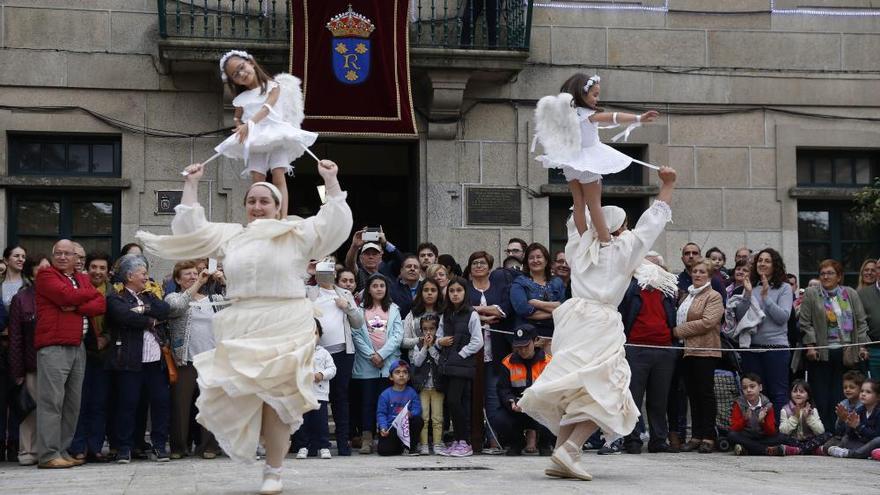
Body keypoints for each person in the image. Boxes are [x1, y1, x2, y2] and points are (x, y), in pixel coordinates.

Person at [137, 159, 351, 495]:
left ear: (279, 206)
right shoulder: (234, 237)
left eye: (265, 200)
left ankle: (274, 470)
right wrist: (191, 184)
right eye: (251, 201)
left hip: (286, 319)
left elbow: (333, 224)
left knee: (279, 397)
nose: (257, 206)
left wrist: (331, 180)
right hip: (243, 320)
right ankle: (258, 446)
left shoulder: (294, 233)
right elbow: (193, 231)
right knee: (245, 394)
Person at [518, 166, 678, 481]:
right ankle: (571, 449)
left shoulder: (579, 245)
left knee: (579, 384)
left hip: (574, 318)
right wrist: (668, 184)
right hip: (600, 321)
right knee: (608, 388)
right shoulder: (624, 248)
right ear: (623, 228)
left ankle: (561, 452)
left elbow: (582, 210)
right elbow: (655, 218)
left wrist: (577, 181)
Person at [533, 73, 659, 247]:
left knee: (578, 202)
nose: (597, 99)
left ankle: (584, 237)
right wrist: (638, 118)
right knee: (594, 204)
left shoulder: (567, 116)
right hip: (587, 160)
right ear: (582, 94)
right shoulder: (587, 114)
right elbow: (613, 117)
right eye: (595, 95)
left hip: (571, 161)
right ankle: (605, 240)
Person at [215, 50, 318, 215]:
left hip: (276, 134)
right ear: (233, 80)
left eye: (242, 67)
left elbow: (267, 108)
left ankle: (282, 217)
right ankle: (259, 216)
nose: (242, 74)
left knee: (278, 175)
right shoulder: (242, 98)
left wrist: (248, 124)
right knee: (257, 179)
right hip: (256, 139)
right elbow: (237, 116)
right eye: (236, 74)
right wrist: (238, 125)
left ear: (251, 62)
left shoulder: (274, 86)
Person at [34, 240, 106, 469]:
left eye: (68, 254)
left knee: (72, 404)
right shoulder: (47, 276)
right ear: (53, 255)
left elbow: (100, 303)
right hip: (54, 346)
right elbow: (65, 296)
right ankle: (48, 454)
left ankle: (62, 451)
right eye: (59, 253)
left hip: (78, 346)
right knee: (51, 402)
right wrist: (81, 297)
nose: (63, 257)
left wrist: (75, 304)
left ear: (76, 258)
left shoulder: (82, 278)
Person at [105, 255, 172, 464]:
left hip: (155, 362)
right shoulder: (116, 297)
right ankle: (124, 448)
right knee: (128, 404)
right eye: (143, 273)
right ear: (129, 275)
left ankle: (159, 446)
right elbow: (123, 316)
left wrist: (142, 310)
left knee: (161, 403)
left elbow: (164, 310)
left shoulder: (149, 295)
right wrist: (149, 320)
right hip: (129, 361)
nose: (146, 277)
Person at [797, 259, 869, 431]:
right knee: (822, 396)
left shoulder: (850, 293)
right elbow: (805, 323)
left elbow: (861, 322)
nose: (825, 276)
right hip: (821, 352)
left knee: (842, 393)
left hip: (846, 353)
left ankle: (841, 430)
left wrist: (862, 346)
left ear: (839, 277)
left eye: (830, 273)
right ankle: (824, 431)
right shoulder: (812, 293)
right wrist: (811, 345)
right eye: (822, 273)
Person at [618, 257, 679, 454]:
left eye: (656, 266)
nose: (652, 270)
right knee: (633, 398)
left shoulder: (667, 292)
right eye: (647, 266)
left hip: (664, 350)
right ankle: (633, 440)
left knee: (659, 399)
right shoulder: (631, 289)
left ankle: (659, 440)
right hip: (636, 348)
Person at [164, 260, 223, 459]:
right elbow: (176, 308)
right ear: (178, 280)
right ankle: (179, 447)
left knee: (210, 404)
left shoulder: (213, 299)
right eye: (187, 274)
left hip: (211, 360)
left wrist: (227, 281)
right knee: (181, 405)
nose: (192, 276)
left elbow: (237, 306)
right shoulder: (173, 297)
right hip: (185, 360)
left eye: (194, 273)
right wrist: (198, 284)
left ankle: (208, 446)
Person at [305, 262, 363, 456]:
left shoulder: (344, 294)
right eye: (322, 272)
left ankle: (343, 444)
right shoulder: (310, 292)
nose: (326, 275)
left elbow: (358, 323)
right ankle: (313, 444)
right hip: (314, 352)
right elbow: (292, 292)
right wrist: (309, 273)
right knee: (314, 398)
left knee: (340, 398)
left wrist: (348, 308)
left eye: (329, 272)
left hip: (342, 352)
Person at [734, 248, 793, 419]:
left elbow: (782, 317)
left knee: (778, 392)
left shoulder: (785, 288)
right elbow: (740, 316)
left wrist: (766, 297)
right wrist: (747, 294)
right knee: (755, 394)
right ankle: (759, 430)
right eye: (760, 260)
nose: (762, 263)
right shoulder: (751, 285)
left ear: (775, 265)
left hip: (776, 348)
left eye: (767, 261)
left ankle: (780, 432)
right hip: (752, 348)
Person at [674, 258, 724, 454]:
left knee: (705, 394)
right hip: (687, 351)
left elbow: (707, 322)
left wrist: (678, 331)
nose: (697, 274)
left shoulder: (714, 296)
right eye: (695, 271)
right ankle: (695, 435)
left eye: (702, 272)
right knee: (692, 395)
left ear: (709, 275)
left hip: (706, 350)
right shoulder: (688, 295)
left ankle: (709, 436)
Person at [466, 250, 514, 452]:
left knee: (494, 397)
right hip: (470, 355)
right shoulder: (465, 288)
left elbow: (503, 310)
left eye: (482, 263)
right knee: (470, 397)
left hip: (496, 351)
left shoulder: (500, 287)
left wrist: (477, 311)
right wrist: (485, 316)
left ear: (489, 267)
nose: (478, 266)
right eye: (475, 263)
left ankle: (494, 439)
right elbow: (462, 308)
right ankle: (470, 439)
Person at [351, 273, 404, 455]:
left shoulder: (394, 309)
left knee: (387, 403)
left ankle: (385, 437)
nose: (379, 289)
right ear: (369, 289)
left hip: (387, 364)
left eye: (382, 285)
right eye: (375, 286)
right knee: (367, 403)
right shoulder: (360, 310)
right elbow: (356, 334)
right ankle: (367, 438)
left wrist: (381, 355)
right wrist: (371, 355)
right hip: (367, 366)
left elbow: (397, 335)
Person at [69, 251, 114, 463]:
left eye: (102, 268)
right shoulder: (78, 289)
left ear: (108, 272)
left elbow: (117, 323)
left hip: (104, 356)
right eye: (94, 267)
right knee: (79, 402)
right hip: (81, 353)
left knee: (100, 403)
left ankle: (95, 448)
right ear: (87, 268)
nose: (97, 272)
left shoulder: (113, 293)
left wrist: (106, 337)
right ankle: (78, 447)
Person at [436, 277, 484, 458]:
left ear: (465, 293)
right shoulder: (446, 314)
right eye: (452, 291)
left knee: (457, 401)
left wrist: (462, 354)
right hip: (448, 365)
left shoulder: (471, 313)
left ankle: (464, 441)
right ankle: (457, 440)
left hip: (462, 366)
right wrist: (440, 342)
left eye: (459, 291)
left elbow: (477, 341)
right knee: (453, 402)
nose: (455, 294)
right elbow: (439, 335)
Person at [7, 258, 47, 465]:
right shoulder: (21, 299)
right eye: (42, 270)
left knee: (50, 409)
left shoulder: (55, 297)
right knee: (29, 408)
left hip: (53, 364)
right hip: (31, 363)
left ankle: (46, 450)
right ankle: (27, 451)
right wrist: (17, 370)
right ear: (32, 274)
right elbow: (15, 338)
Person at [495, 324, 553, 456]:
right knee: (499, 418)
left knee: (554, 413)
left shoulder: (548, 362)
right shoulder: (508, 362)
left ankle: (544, 444)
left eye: (526, 346)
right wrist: (511, 402)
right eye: (519, 347)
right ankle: (517, 443)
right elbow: (503, 389)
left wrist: (534, 403)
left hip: (541, 409)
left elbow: (552, 390)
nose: (522, 350)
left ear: (535, 341)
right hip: (517, 409)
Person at [293, 321, 336, 460]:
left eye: (315, 333)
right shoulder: (298, 354)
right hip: (303, 395)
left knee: (321, 423)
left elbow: (332, 369)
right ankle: (303, 447)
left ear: (320, 335)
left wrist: (322, 375)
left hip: (320, 395)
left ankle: (324, 446)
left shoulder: (324, 353)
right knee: (303, 422)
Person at [510, 243, 565, 339]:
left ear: (546, 260)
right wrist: (556, 311)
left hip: (555, 336)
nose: (535, 260)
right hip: (527, 339)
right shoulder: (520, 282)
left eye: (539, 257)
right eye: (531, 258)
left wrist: (537, 303)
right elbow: (523, 310)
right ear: (527, 261)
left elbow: (566, 307)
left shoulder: (557, 282)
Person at [410, 313, 443, 455]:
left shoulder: (440, 344)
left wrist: (431, 347)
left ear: (437, 329)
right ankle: (423, 444)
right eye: (425, 329)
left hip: (437, 387)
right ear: (421, 330)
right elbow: (416, 362)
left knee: (437, 417)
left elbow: (440, 362)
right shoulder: (418, 344)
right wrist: (424, 347)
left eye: (432, 329)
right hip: (423, 387)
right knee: (424, 417)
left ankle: (437, 444)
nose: (428, 332)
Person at [376, 360, 423, 456]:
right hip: (392, 427)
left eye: (405, 372)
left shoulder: (412, 392)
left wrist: (411, 414)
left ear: (409, 377)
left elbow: (417, 409)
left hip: (406, 427)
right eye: (397, 372)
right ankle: (400, 447)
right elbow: (381, 414)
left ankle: (411, 447)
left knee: (418, 420)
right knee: (384, 451)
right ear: (391, 377)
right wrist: (383, 427)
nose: (401, 375)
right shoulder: (385, 394)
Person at [729, 373, 781, 456]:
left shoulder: (767, 405)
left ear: (760, 388)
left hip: (762, 438)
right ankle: (765, 450)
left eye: (752, 386)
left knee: (780, 437)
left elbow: (771, 432)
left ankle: (748, 449)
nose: (748, 390)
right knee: (732, 435)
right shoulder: (739, 404)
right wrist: (745, 420)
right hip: (746, 437)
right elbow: (734, 428)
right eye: (745, 388)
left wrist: (762, 421)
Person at [827, 379, 880, 459]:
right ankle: (860, 452)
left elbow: (875, 435)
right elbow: (850, 434)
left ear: (878, 397)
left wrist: (858, 427)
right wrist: (846, 422)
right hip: (863, 444)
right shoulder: (860, 410)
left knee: (878, 440)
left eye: (868, 392)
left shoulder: (878, 412)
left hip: (874, 443)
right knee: (846, 439)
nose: (863, 394)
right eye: (862, 391)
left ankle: (852, 454)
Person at [777, 380, 830, 455]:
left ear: (808, 396)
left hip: (810, 441)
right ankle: (810, 450)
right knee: (779, 437)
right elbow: (783, 431)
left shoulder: (813, 410)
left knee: (828, 435)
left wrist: (809, 417)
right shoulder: (785, 410)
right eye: (795, 391)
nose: (798, 394)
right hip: (794, 441)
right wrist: (795, 417)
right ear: (790, 394)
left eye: (801, 392)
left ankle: (798, 450)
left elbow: (820, 431)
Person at [344, 228, 405, 293]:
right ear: (361, 257)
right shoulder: (359, 274)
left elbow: (402, 262)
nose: (371, 257)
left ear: (380, 256)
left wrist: (385, 243)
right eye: (367, 254)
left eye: (374, 254)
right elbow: (350, 263)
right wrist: (354, 246)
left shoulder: (388, 271)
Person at [825, 370, 865, 451]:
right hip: (843, 436)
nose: (847, 390)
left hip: (858, 437)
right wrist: (840, 419)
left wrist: (847, 419)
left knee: (845, 441)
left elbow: (858, 430)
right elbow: (838, 430)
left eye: (852, 387)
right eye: (845, 387)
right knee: (827, 444)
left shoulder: (863, 405)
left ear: (861, 389)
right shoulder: (843, 404)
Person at [401, 278, 443, 355]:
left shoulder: (444, 314)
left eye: (433, 290)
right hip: (416, 361)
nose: (429, 293)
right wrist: (420, 340)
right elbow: (403, 342)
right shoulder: (412, 314)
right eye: (426, 290)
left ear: (438, 293)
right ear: (421, 293)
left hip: (439, 360)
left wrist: (436, 341)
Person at [857, 266, 880, 381]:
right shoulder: (862, 294)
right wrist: (862, 346)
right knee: (875, 388)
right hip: (873, 349)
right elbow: (859, 322)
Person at [390, 254, 421, 318]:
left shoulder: (425, 288)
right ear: (401, 270)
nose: (412, 269)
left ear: (420, 272)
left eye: (415, 267)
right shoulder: (391, 290)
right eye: (408, 266)